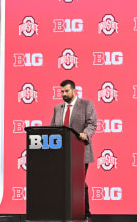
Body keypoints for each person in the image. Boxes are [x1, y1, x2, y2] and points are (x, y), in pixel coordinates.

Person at [51, 80, 97, 221]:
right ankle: (64, 214)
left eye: (66, 91)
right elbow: (53, 127)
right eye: (62, 92)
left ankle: (85, 214)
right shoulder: (57, 108)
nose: (64, 94)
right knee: (61, 184)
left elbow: (92, 123)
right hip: (61, 154)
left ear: (74, 91)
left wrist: (85, 134)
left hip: (79, 152)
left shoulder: (86, 105)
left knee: (78, 183)